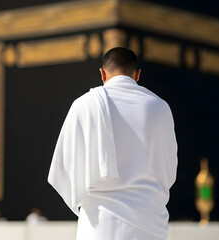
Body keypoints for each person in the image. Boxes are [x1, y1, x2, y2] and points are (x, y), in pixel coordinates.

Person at [48, 47, 178, 240]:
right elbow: (168, 171)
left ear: (102, 73)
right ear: (137, 75)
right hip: (148, 224)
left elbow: (63, 170)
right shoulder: (159, 108)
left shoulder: (84, 105)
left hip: (99, 226)